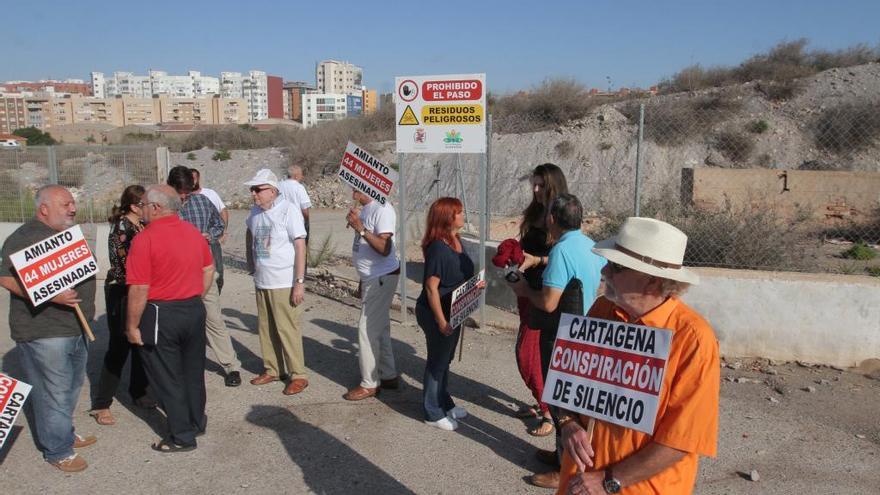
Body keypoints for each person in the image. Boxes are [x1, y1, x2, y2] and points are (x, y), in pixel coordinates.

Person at [556, 217, 719, 495]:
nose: (605, 270)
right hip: (579, 483)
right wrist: (567, 424)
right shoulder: (601, 311)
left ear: (652, 282)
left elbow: (682, 440)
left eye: (617, 266)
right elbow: (568, 386)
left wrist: (609, 481)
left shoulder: (693, 339)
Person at [509, 193, 605, 490]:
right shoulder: (590, 245)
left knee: (563, 405)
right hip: (584, 331)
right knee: (570, 401)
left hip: (562, 335)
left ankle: (566, 470)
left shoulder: (562, 251)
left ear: (552, 219)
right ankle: (559, 455)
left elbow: (549, 303)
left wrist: (524, 289)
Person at [0, 185, 97, 472]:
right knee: (52, 391)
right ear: (44, 208)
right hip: (44, 332)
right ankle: (57, 450)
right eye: (66, 204)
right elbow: (4, 278)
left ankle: (63, 432)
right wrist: (52, 295)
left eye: (73, 203)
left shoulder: (65, 235)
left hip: (75, 327)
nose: (73, 208)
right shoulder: (24, 238)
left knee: (69, 387)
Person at [125, 184, 214, 452]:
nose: (140, 209)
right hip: (193, 309)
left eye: (143, 204)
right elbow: (208, 269)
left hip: (162, 312)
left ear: (156, 207)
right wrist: (196, 295)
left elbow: (139, 287)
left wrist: (131, 326)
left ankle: (181, 435)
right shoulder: (193, 233)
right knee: (192, 372)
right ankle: (196, 421)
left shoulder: (144, 239)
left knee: (167, 376)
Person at [167, 166, 242, 387]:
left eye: (186, 192)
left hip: (203, 272)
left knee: (214, 319)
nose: (183, 197)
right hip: (175, 276)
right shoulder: (161, 209)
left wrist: (209, 236)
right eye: (179, 192)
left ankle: (231, 366)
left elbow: (218, 224)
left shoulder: (201, 202)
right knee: (177, 324)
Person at [89, 185, 156, 427]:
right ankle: (101, 403)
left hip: (140, 289)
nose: (147, 207)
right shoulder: (121, 229)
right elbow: (125, 266)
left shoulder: (143, 225)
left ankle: (139, 392)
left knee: (140, 342)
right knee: (119, 347)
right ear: (133, 206)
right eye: (143, 204)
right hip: (122, 290)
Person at [511, 164, 569, 437]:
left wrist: (538, 260)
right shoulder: (535, 212)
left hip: (548, 294)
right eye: (533, 185)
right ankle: (541, 402)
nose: (535, 190)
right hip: (527, 289)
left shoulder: (561, 215)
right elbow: (527, 247)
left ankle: (549, 411)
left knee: (528, 354)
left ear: (553, 186)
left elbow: (566, 254)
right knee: (532, 353)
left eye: (541, 186)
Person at [416, 197, 483, 431]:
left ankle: (444, 402)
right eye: (459, 212)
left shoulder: (456, 239)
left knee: (446, 360)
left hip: (453, 312)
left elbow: (457, 278)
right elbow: (431, 288)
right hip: (436, 313)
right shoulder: (437, 247)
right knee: (437, 362)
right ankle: (432, 412)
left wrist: (474, 287)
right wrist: (441, 321)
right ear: (447, 217)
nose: (463, 215)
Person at [244, 169, 310, 395]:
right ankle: (273, 368)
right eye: (252, 190)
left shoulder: (288, 210)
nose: (254, 194)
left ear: (272, 191)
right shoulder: (254, 213)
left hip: (284, 280)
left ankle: (298, 374)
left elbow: (301, 245)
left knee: (287, 328)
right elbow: (250, 234)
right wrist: (250, 263)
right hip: (263, 280)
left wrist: (299, 281)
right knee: (266, 327)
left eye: (258, 189)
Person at [342, 187, 400, 401]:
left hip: (382, 277)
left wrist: (361, 228)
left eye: (355, 184)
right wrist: (361, 279)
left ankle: (369, 383)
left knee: (366, 330)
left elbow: (385, 248)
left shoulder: (382, 209)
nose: (351, 188)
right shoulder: (366, 208)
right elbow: (364, 251)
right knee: (380, 328)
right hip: (371, 277)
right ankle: (388, 374)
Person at [190, 168, 229, 242]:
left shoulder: (210, 193)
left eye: (194, 179)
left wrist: (224, 231)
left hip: (212, 239)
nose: (192, 182)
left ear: (198, 179)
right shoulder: (184, 198)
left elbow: (223, 210)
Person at [278, 164, 312, 238]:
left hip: (280, 223)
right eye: (301, 175)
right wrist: (306, 221)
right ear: (296, 176)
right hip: (297, 224)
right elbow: (305, 208)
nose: (302, 177)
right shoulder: (299, 187)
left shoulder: (279, 185)